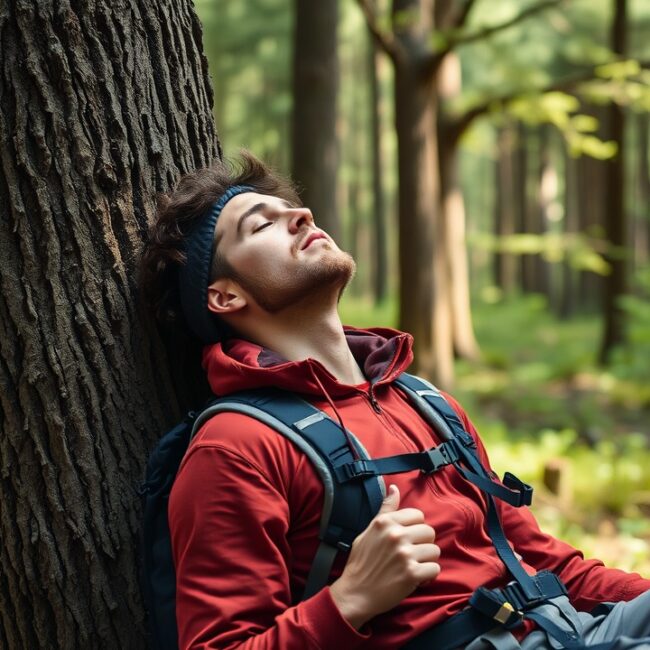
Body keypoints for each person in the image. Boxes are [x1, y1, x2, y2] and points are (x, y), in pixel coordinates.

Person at [139, 151, 650, 650]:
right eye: (260, 225)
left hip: (570, 629)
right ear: (225, 296)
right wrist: (350, 600)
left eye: (290, 208)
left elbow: (546, 562)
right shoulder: (237, 446)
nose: (301, 215)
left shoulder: (426, 402)